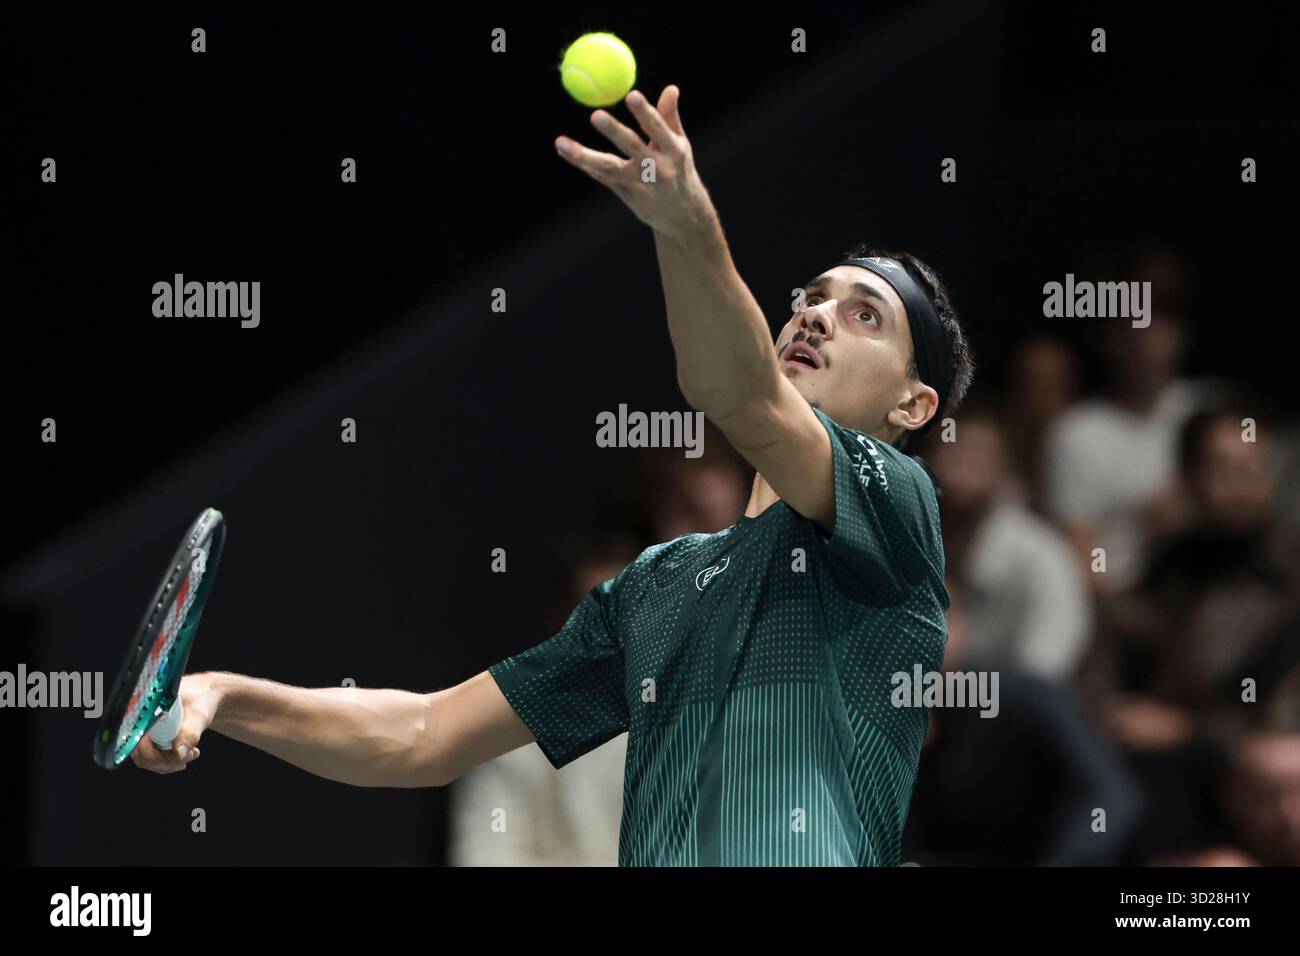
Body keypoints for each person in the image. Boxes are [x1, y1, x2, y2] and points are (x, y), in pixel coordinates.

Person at [132, 85, 974, 867]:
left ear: (913, 403)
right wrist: (221, 694)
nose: (818, 314)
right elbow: (424, 734)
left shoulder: (897, 512)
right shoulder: (657, 588)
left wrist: (685, 225)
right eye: (814, 297)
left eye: (865, 314)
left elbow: (741, 394)